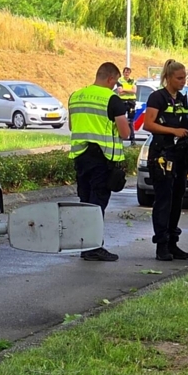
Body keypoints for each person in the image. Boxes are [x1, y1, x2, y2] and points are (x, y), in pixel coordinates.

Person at [69, 62, 131, 261]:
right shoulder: (112, 99)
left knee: (85, 202)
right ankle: (93, 247)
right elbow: (124, 132)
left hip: (80, 156)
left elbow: (72, 125)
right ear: (111, 79)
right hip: (102, 159)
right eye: (115, 82)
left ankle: (85, 246)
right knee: (97, 204)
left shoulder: (76, 96)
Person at [143, 59, 188, 261]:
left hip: (181, 155)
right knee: (163, 200)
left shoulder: (182, 99)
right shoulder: (157, 98)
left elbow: (186, 128)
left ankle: (173, 242)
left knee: (177, 199)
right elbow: (148, 124)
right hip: (162, 155)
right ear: (168, 77)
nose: (183, 81)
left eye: (185, 78)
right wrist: (173, 130)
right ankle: (161, 245)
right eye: (180, 78)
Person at [117, 66, 138, 145]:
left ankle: (132, 139)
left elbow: (134, 91)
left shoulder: (133, 80)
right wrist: (130, 90)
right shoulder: (120, 80)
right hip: (122, 102)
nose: (127, 73)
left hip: (131, 102)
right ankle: (120, 138)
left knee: (131, 121)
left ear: (130, 73)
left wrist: (124, 89)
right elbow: (120, 92)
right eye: (125, 72)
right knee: (121, 120)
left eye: (128, 72)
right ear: (123, 73)